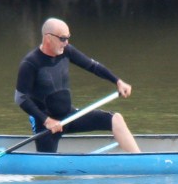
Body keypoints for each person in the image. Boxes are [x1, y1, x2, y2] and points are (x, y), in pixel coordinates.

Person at [14, 17, 140, 153]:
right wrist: (46, 120)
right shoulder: (30, 63)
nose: (66, 42)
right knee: (49, 170)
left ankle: (140, 160)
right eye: (62, 38)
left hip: (70, 116)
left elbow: (92, 66)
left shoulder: (66, 51)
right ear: (48, 38)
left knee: (116, 119)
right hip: (46, 125)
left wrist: (117, 81)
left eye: (68, 38)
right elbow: (21, 98)